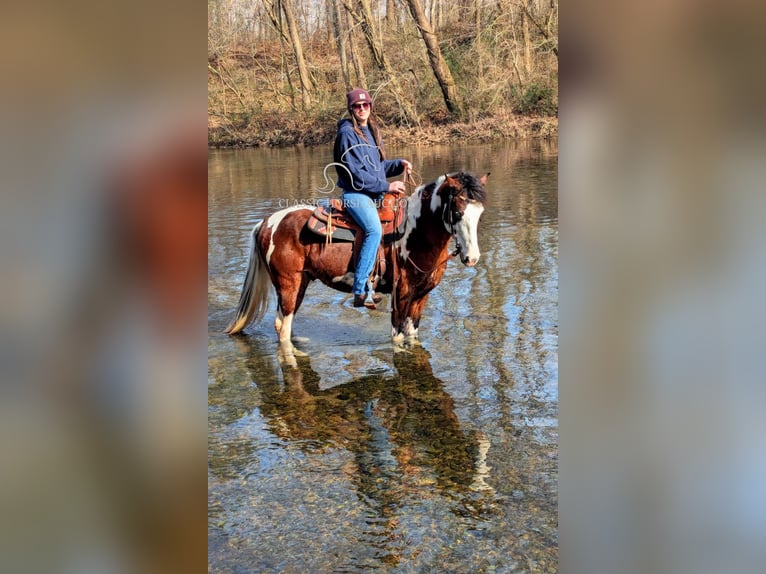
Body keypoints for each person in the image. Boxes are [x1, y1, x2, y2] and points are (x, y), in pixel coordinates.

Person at [333, 88, 412, 309]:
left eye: (365, 105)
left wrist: (399, 164)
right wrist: (388, 185)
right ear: (351, 109)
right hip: (356, 194)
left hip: (373, 191)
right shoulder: (347, 134)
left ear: (370, 106)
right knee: (374, 229)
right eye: (357, 107)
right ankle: (359, 289)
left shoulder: (369, 130)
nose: (362, 109)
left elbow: (376, 168)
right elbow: (356, 176)